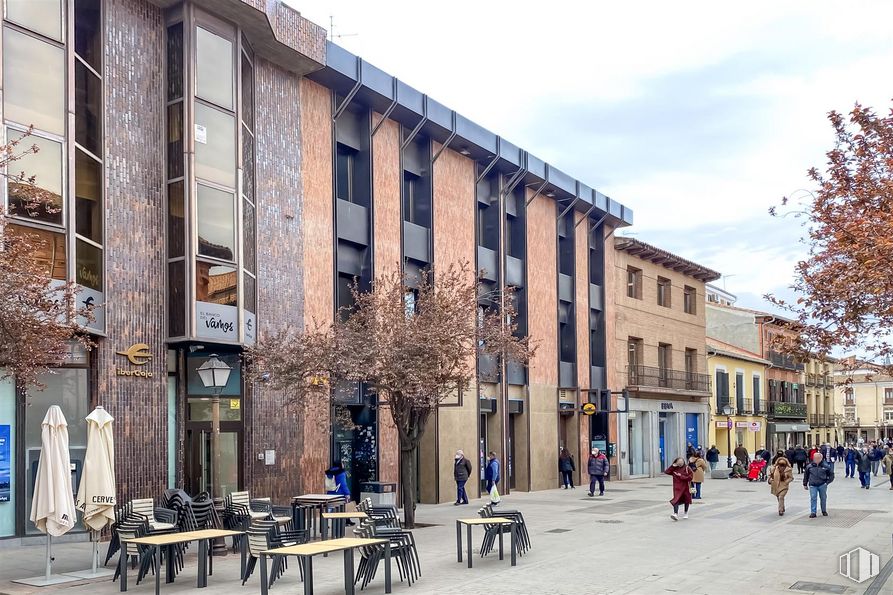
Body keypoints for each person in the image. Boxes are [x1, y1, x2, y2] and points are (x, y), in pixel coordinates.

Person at [803, 452, 834, 518]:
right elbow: (806, 475)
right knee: (813, 498)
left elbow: (831, 475)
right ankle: (813, 512)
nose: (816, 459)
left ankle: (824, 510)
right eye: (815, 458)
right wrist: (805, 484)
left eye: (817, 458)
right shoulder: (809, 466)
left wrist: (827, 482)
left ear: (821, 458)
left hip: (822, 484)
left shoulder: (825, 466)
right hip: (813, 484)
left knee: (823, 498)